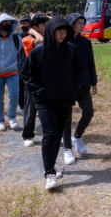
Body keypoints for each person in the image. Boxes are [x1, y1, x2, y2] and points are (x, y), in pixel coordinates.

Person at [22, 16, 87, 190]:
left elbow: (81, 71)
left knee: (58, 134)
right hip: (44, 102)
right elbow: (27, 75)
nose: (61, 34)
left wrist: (75, 88)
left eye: (64, 31)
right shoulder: (38, 52)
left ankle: (52, 166)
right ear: (51, 31)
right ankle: (49, 173)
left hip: (65, 100)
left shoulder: (71, 50)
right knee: (49, 134)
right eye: (58, 31)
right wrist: (40, 92)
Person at [62, 13, 98, 163]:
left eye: (83, 23)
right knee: (66, 118)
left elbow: (90, 62)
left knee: (89, 112)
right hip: (67, 85)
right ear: (71, 24)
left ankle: (76, 136)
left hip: (83, 84)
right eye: (78, 23)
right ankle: (67, 149)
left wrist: (93, 82)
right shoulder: (62, 41)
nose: (81, 26)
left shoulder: (85, 42)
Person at [21, 13, 49, 147]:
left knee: (48, 109)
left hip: (45, 77)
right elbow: (41, 41)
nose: (46, 27)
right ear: (36, 27)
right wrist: (30, 30)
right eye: (43, 25)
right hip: (32, 79)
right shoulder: (27, 38)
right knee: (30, 109)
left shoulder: (48, 36)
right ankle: (28, 135)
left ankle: (50, 133)